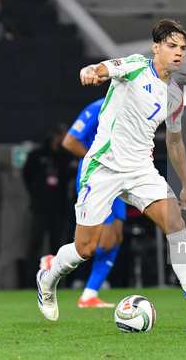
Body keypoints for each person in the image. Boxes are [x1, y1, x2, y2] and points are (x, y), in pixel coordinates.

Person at [35, 19, 186, 328]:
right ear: (156, 48)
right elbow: (104, 67)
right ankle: (48, 277)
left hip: (140, 170)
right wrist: (92, 72)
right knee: (85, 248)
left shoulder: (175, 96)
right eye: (171, 46)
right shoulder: (136, 66)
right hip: (103, 167)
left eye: (182, 49)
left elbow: (176, 143)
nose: (178, 53)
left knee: (176, 225)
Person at [54, 97, 127, 308]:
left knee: (116, 239)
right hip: (96, 180)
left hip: (120, 178)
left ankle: (89, 295)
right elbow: (69, 141)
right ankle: (55, 260)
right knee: (101, 242)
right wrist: (99, 160)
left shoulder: (133, 107)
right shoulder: (98, 107)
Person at [22, 124, 74, 288]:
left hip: (58, 207)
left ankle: (56, 282)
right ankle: (29, 282)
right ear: (55, 136)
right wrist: (37, 193)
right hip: (40, 207)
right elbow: (27, 175)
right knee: (35, 244)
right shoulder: (38, 154)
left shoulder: (65, 156)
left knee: (57, 245)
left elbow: (68, 177)